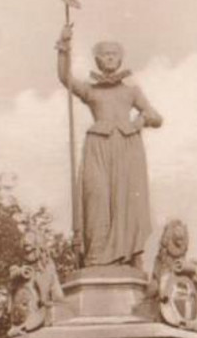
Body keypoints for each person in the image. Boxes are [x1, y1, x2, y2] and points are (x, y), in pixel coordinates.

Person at [57, 26, 163, 269]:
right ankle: (95, 257)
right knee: (96, 198)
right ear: (97, 59)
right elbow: (65, 79)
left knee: (125, 202)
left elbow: (157, 117)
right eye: (105, 54)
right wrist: (63, 49)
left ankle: (126, 256)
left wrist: (142, 120)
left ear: (120, 58)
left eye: (114, 54)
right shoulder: (90, 90)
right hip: (98, 148)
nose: (110, 58)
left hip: (127, 149)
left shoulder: (131, 91)